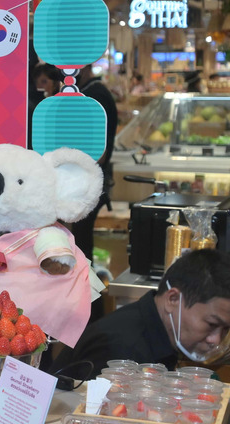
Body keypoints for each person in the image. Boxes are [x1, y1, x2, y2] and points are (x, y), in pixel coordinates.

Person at [48, 250, 230, 380]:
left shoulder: (161, 334)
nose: (215, 340)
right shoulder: (122, 352)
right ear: (173, 299)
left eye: (226, 329)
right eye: (211, 324)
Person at [71, 64, 118, 322]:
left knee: (82, 254)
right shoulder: (93, 92)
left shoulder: (95, 95)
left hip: (87, 186)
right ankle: (90, 313)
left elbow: (97, 150)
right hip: (86, 185)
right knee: (82, 251)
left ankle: (90, 314)